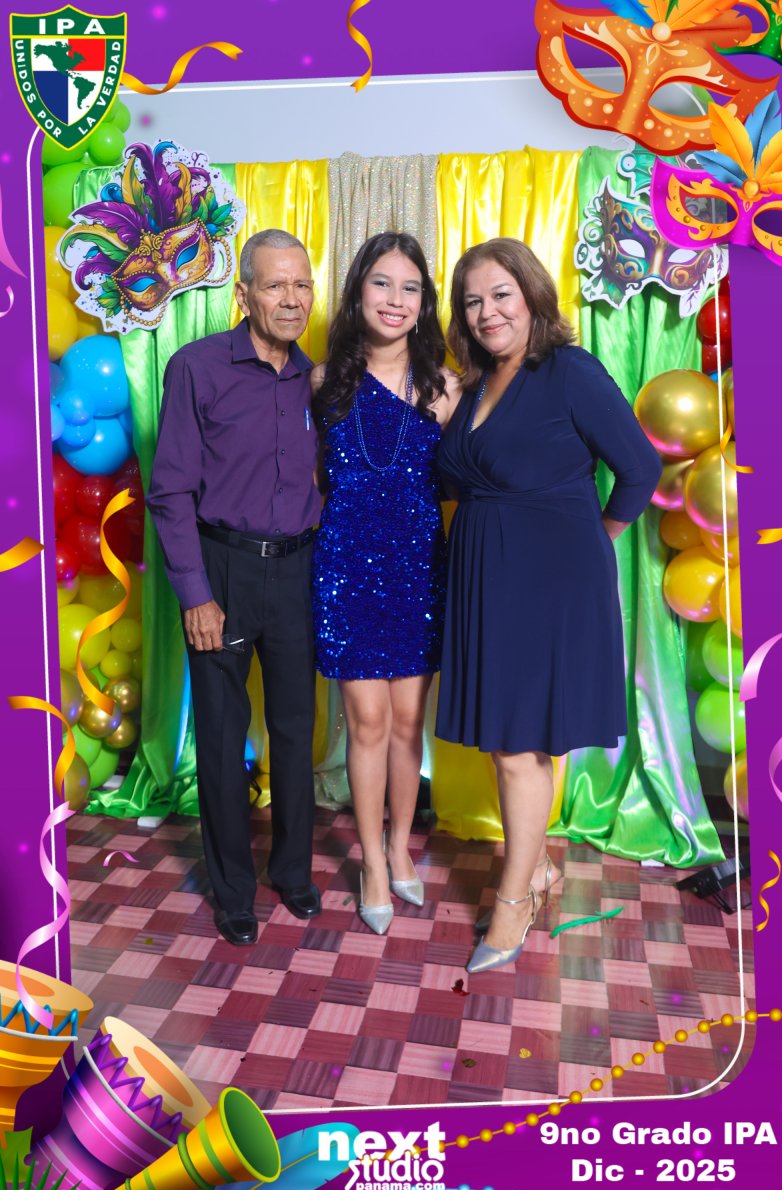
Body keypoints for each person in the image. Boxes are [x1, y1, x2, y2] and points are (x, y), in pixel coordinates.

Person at [436, 237, 661, 973]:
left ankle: (514, 902)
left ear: (532, 295)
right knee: (506, 739)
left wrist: (598, 537)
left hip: (550, 579)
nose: (487, 312)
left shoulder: (570, 370)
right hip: (486, 576)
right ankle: (534, 867)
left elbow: (640, 467)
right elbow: (462, 477)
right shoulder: (476, 385)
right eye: (473, 301)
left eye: (501, 294)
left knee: (520, 745)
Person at [146, 229, 323, 947]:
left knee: (295, 729)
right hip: (221, 568)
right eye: (276, 285)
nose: (292, 299)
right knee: (221, 737)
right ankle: (232, 891)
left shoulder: (316, 378)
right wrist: (195, 593)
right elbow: (169, 491)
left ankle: (294, 872)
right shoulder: (197, 368)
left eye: (302, 285)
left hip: (298, 570)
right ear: (244, 294)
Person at [311, 231, 459, 935]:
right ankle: (371, 860)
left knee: (407, 723)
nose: (395, 300)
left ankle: (401, 847)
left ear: (424, 303)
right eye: (381, 283)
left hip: (419, 569)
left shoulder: (446, 389)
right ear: (357, 293)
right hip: (346, 567)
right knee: (365, 722)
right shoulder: (322, 383)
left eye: (410, 288)